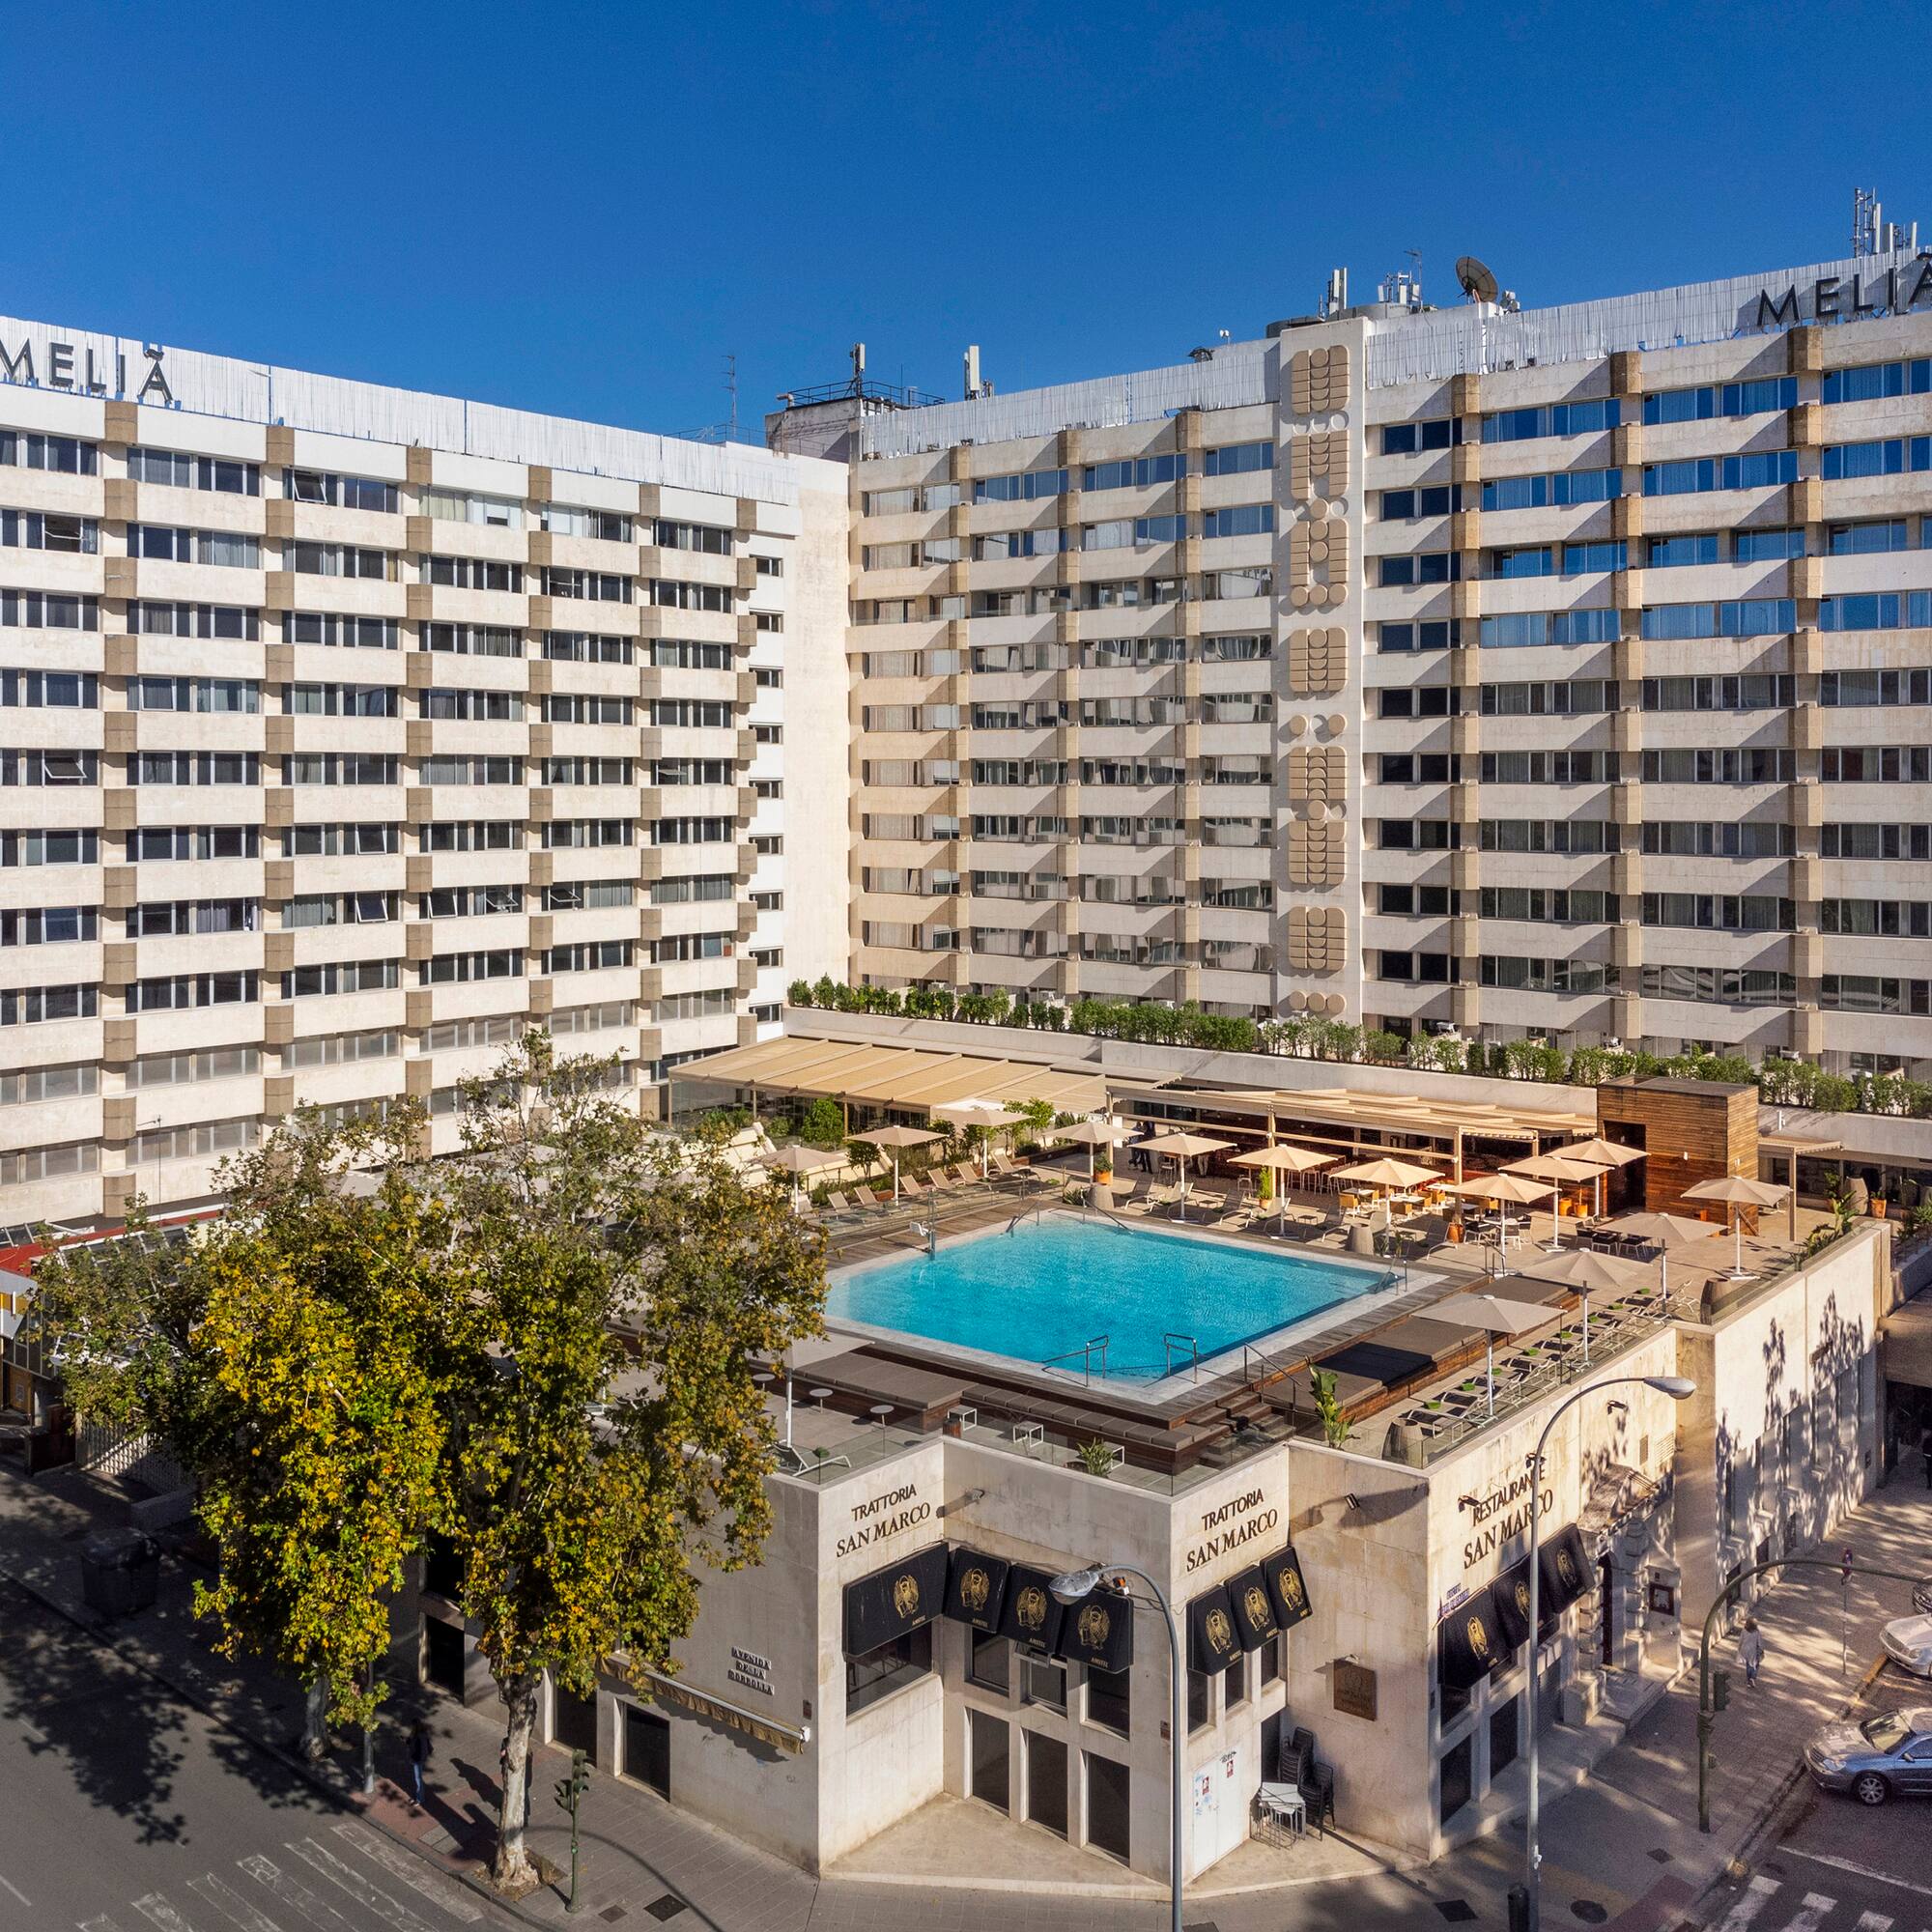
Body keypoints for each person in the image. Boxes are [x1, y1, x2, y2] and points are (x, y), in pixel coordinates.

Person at [408, 1719, 433, 1806]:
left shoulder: (419, 1736)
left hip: (418, 1760)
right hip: (416, 1759)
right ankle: (418, 1796)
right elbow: (411, 1743)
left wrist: (417, 1759)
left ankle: (419, 1799)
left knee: (418, 1779)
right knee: (418, 1778)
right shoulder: (417, 1734)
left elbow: (422, 1750)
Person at [1739, 1617, 1765, 1689]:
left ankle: (1748, 1679)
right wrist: (1761, 1650)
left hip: (1746, 1650)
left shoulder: (1744, 1631)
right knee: (1755, 1664)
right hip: (1754, 1650)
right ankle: (1752, 1677)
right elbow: (1759, 1642)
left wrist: (1739, 1648)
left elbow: (1741, 1640)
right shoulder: (1757, 1632)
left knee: (1748, 1665)